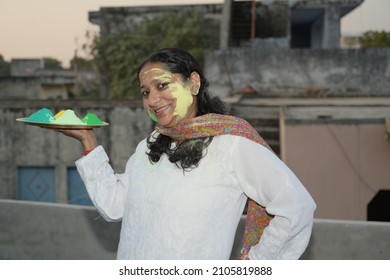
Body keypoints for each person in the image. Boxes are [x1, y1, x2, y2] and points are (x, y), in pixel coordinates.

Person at [58, 48, 316, 260]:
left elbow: (297, 206)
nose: (152, 99)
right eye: (145, 92)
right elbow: (113, 206)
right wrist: (88, 139)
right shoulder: (152, 144)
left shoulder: (230, 142)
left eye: (162, 85)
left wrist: (256, 263)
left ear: (193, 83)